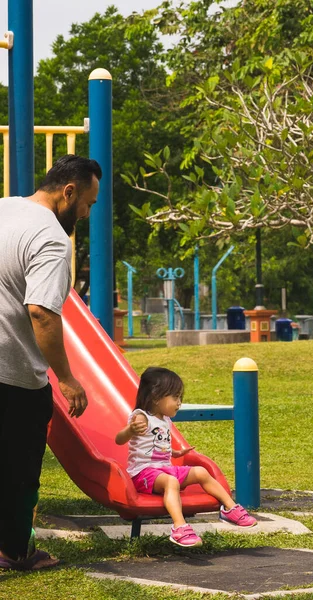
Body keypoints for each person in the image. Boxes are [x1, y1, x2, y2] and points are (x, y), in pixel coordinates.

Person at [0, 155, 102, 571]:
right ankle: (15, 552)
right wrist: (67, 378)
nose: (87, 213)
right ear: (70, 192)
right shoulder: (52, 239)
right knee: (19, 470)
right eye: (89, 204)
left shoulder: (4, 207)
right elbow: (41, 312)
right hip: (13, 374)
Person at [116, 367, 257, 547]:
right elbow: (119, 439)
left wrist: (173, 453)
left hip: (163, 470)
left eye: (180, 397)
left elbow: (156, 447)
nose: (179, 402)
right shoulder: (141, 416)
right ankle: (179, 527)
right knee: (171, 482)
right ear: (155, 396)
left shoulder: (165, 419)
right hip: (142, 474)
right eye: (175, 397)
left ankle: (230, 508)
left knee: (200, 472)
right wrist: (129, 430)